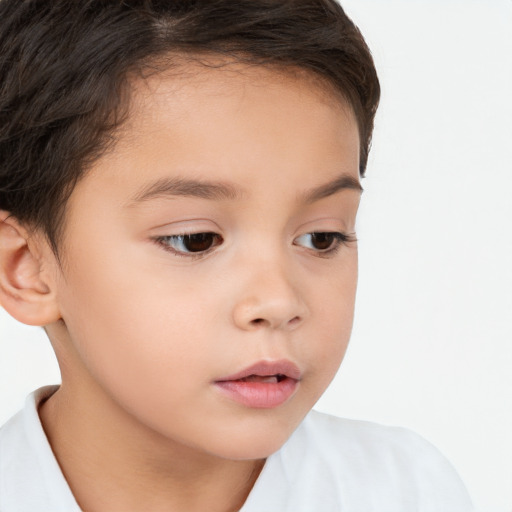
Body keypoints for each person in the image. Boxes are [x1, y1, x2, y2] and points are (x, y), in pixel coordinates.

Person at [0, 1, 474, 511]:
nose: (277, 301)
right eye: (195, 239)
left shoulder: (404, 490)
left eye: (322, 237)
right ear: (26, 269)